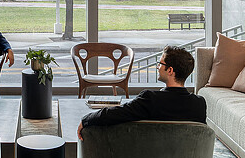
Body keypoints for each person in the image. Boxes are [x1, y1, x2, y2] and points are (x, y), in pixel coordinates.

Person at [77, 45, 206, 139]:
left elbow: (116, 113)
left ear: (170, 70)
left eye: (160, 63)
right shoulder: (199, 104)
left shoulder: (150, 99)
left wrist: (86, 119)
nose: (157, 67)